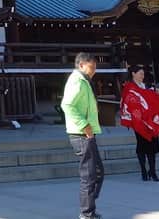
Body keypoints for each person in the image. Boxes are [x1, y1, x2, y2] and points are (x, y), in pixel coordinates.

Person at [61, 52, 104, 219]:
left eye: (95, 68)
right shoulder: (77, 81)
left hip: (87, 132)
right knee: (89, 174)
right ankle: (87, 213)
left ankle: (89, 206)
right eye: (91, 67)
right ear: (80, 65)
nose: (93, 71)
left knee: (97, 172)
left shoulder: (84, 81)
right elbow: (67, 105)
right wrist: (84, 125)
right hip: (81, 134)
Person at [120, 65, 159, 182]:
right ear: (133, 74)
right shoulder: (129, 87)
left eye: (143, 74)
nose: (142, 76)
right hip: (138, 120)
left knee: (153, 145)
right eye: (140, 73)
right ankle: (144, 170)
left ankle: (153, 171)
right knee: (142, 145)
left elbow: (152, 100)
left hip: (151, 120)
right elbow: (128, 101)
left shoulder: (147, 86)